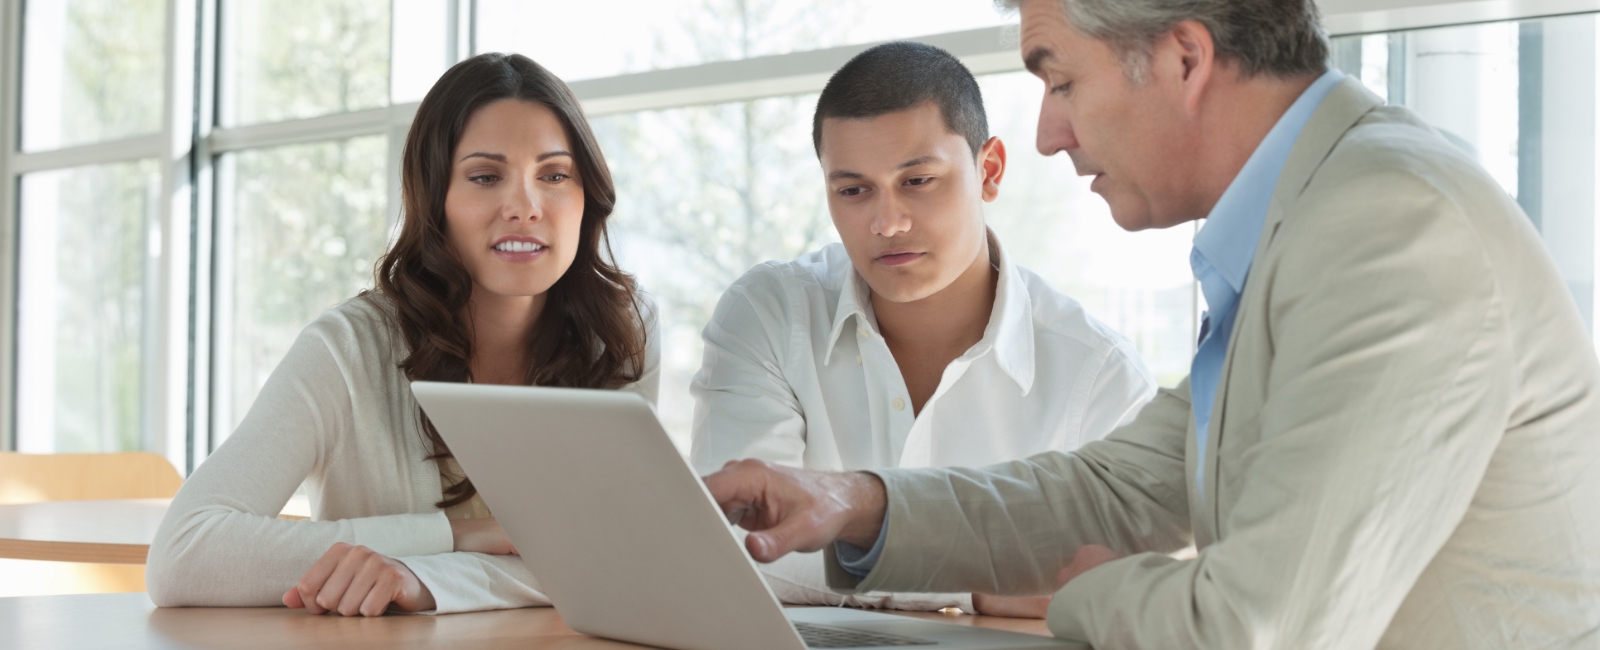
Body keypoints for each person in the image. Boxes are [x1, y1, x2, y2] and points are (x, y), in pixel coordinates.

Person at [703, 0, 1600, 647]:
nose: (1051, 132)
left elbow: (1253, 628)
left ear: (1183, 58)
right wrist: (854, 503)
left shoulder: (1391, 228)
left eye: (1059, 79)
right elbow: (1114, 490)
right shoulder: (1306, 220)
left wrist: (1091, 596)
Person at [146, 52, 659, 617]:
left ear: (588, 196)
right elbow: (184, 553)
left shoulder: (620, 334)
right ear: (433, 197)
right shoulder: (346, 350)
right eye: (485, 177)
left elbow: (621, 554)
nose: (525, 208)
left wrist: (425, 580)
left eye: (555, 175)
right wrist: (452, 535)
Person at [688, 41, 1155, 616]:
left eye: (918, 181)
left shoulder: (1098, 377)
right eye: (853, 190)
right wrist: (981, 584)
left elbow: (1114, 584)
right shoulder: (768, 313)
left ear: (989, 171)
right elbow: (734, 546)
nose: (887, 223)